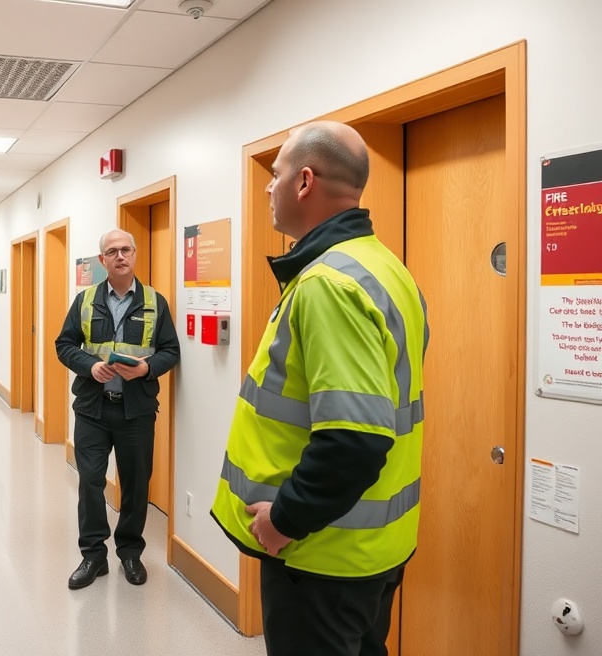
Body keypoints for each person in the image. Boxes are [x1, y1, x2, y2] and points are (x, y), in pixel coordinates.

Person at [211, 121, 428, 656]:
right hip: (374, 548)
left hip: (320, 556)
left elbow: (354, 437)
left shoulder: (328, 284)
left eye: (277, 173)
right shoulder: (386, 268)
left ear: (304, 181)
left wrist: (286, 520)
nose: (268, 187)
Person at [55, 229, 180, 590]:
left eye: (126, 249)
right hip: (93, 410)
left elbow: (170, 350)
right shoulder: (85, 300)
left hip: (136, 411)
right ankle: (93, 555)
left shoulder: (156, 303)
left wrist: (146, 368)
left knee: (136, 484)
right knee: (91, 481)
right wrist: (88, 366)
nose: (120, 256)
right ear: (102, 260)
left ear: (135, 254)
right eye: (112, 251)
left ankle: (129, 551)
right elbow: (64, 345)